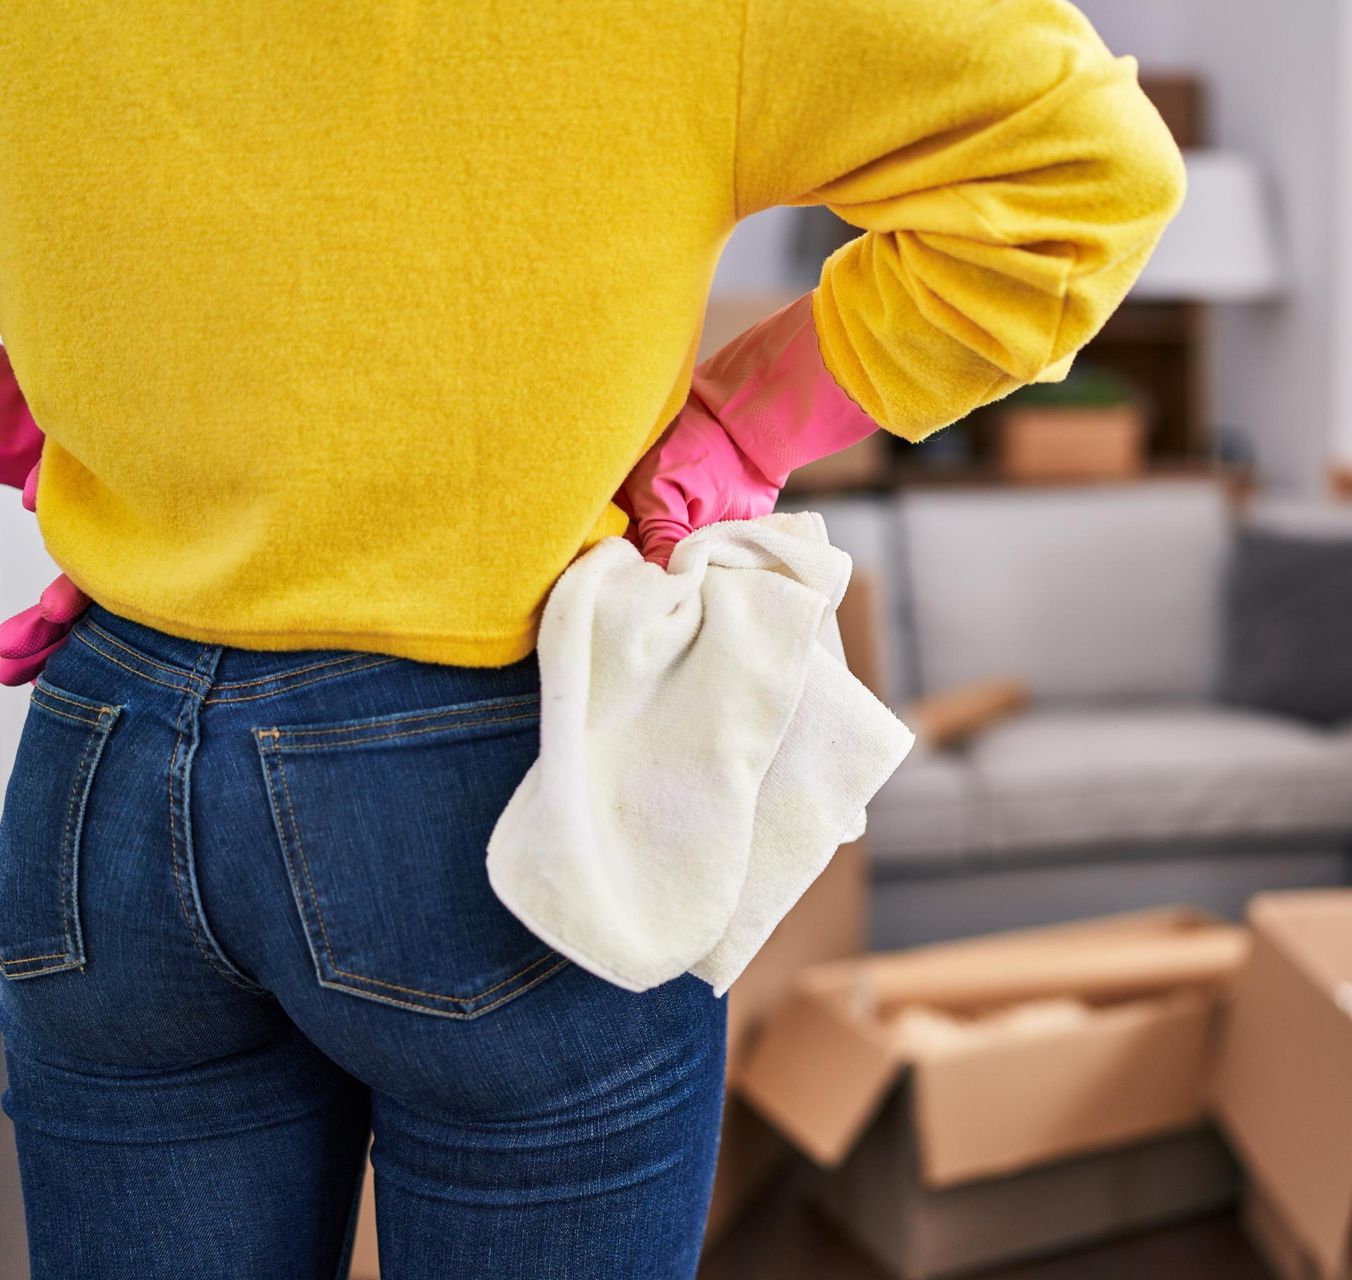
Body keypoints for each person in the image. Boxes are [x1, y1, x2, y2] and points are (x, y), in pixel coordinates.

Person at [0, 3, 1183, 1276]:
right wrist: (745, 424)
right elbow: (1085, 169)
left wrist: (84, 456)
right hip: (509, 776)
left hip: (105, 755)